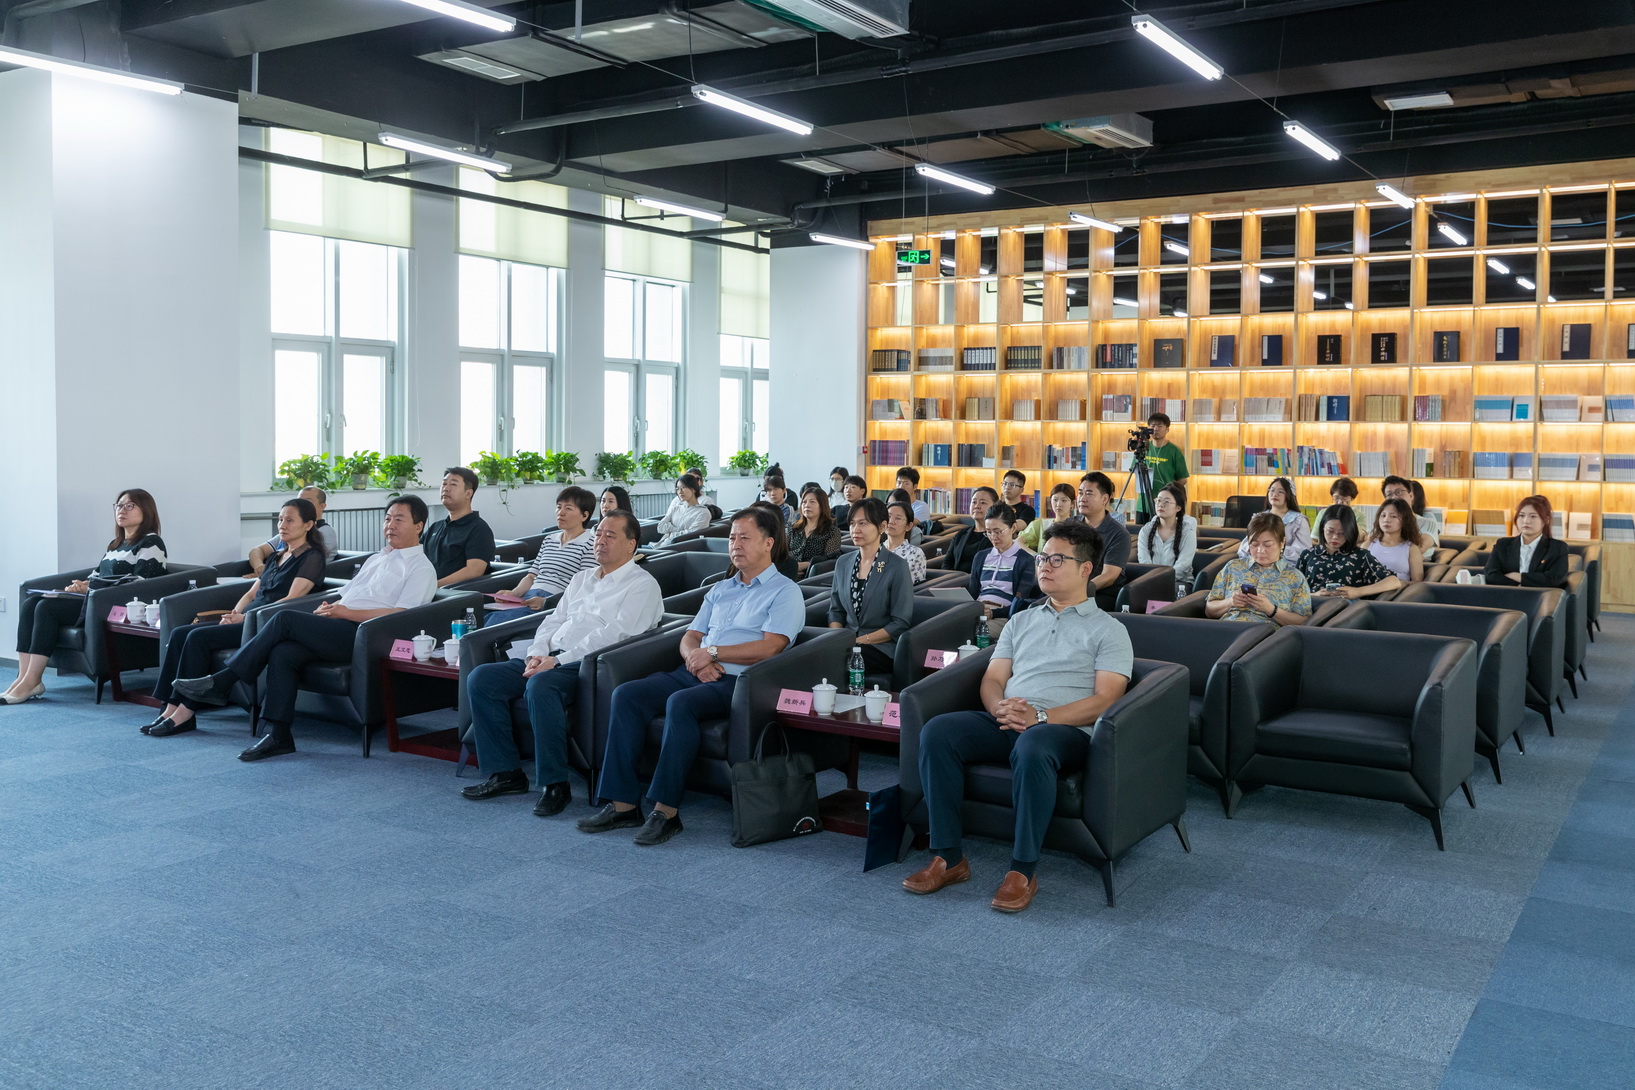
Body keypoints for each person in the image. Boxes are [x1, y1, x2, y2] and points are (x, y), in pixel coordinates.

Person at [904, 520, 1132, 913]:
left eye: (1057, 559)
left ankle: (1022, 870)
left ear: (1085, 569)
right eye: (1043, 557)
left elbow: (1106, 699)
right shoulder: (1021, 619)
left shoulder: (1109, 630)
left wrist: (1040, 716)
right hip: (1011, 718)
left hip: (1064, 729)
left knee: (1033, 745)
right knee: (938, 732)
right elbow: (993, 678)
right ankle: (948, 857)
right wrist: (998, 707)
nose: (1044, 565)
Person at [579, 506, 806, 846]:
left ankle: (666, 812)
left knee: (681, 703)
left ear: (768, 543)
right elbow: (690, 636)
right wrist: (695, 658)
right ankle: (623, 805)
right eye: (732, 538)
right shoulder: (722, 588)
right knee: (627, 694)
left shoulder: (784, 591)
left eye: (745, 538)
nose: (735, 545)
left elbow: (772, 646)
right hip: (696, 670)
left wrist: (714, 653)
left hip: (739, 682)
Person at [170, 496, 438, 760]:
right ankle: (279, 735)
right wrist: (330, 607)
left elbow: (403, 614)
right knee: (284, 652)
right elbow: (346, 594)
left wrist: (346, 612)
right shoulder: (377, 558)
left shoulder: (420, 568)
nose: (390, 525)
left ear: (419, 526)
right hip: (338, 624)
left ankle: (224, 680)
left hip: (364, 636)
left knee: (284, 618)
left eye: (399, 519)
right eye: (387, 519)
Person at [460, 510, 665, 814]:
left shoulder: (641, 584)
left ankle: (555, 784)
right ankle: (506, 773)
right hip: (551, 656)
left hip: (588, 666)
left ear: (631, 544)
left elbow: (617, 635)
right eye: (598, 534)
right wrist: (536, 653)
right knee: (482, 679)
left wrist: (557, 662)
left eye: (610, 535)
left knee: (541, 686)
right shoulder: (582, 578)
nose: (600, 541)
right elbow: (553, 620)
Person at [141, 499, 327, 736]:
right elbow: (251, 593)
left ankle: (185, 713)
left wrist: (247, 619)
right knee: (179, 634)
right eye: (280, 519)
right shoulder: (276, 556)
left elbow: (292, 599)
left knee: (198, 638)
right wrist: (234, 613)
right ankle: (169, 708)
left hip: (266, 624)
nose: (282, 525)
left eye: (290, 520)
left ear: (308, 525)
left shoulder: (312, 557)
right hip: (247, 619)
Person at [4, 489, 167, 706]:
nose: (122, 510)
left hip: (111, 607)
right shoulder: (116, 544)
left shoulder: (151, 542)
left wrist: (91, 587)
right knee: (31, 603)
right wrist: (81, 585)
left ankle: (32, 681)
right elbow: (98, 575)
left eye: (130, 506)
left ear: (146, 510)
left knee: (46, 608)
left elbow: (142, 582)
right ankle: (23, 678)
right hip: (94, 599)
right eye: (119, 505)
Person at [485, 487, 598, 627]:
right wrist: (513, 594)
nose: (561, 512)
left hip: (555, 601)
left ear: (584, 515)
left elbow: (583, 587)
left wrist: (548, 602)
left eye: (568, 508)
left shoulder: (590, 543)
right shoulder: (549, 539)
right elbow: (531, 576)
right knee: (485, 616)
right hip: (529, 596)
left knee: (499, 622)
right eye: (559, 507)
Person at [827, 498, 915, 676]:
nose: (855, 529)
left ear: (882, 527)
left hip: (879, 647)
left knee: (839, 662)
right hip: (846, 644)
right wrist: (838, 639)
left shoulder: (896, 566)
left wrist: (860, 641)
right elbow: (836, 610)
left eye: (863, 523)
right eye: (852, 523)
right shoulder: (843, 562)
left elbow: (900, 623)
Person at [1206, 511, 1312, 626]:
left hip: (1265, 633)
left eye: (1267, 545)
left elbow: (1303, 622)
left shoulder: (1294, 577)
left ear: (1282, 543)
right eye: (1254, 544)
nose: (1260, 550)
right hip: (1228, 628)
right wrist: (1230, 602)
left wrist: (1271, 610)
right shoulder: (1233, 567)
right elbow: (1209, 610)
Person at [1297, 504, 1401, 600]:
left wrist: (1358, 591)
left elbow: (1394, 582)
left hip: (1349, 610)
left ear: (1350, 532)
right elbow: (1291, 590)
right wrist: (1314, 595)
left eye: (1342, 533)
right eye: (1330, 531)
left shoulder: (1361, 556)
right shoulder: (1308, 555)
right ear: (1322, 528)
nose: (1335, 537)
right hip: (1312, 608)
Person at [423, 467, 495, 587]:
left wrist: (433, 586)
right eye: (444, 484)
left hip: (453, 593)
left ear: (468, 493)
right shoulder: (436, 527)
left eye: (453, 484)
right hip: (425, 589)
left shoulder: (479, 529)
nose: (446, 488)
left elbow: (474, 571)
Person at [969, 503, 1040, 620]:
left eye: (998, 531)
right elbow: (972, 594)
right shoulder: (981, 557)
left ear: (1013, 528)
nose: (993, 537)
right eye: (989, 532)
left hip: (1002, 614)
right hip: (977, 610)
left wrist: (994, 613)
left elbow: (1020, 602)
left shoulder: (1025, 560)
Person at [1485, 495, 1569, 587]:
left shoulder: (1557, 548)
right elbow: (1490, 575)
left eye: (1533, 516)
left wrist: (1519, 577)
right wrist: (1520, 586)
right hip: (1506, 594)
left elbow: (1554, 579)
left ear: (1546, 520)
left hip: (1540, 596)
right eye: (1521, 515)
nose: (1526, 521)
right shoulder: (1502, 544)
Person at [1073, 472, 1130, 604]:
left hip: (1100, 593)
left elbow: (1109, 576)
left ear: (1104, 499)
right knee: (1035, 606)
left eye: (1089, 494)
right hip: (1068, 589)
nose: (1082, 498)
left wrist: (1081, 589)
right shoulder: (1069, 526)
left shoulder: (1119, 534)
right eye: (1080, 493)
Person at [249, 485, 336, 571]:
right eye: (299, 501)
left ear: (322, 506)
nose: (300, 506)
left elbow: (303, 559)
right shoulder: (289, 533)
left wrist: (269, 572)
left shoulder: (325, 531)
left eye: (307, 502)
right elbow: (257, 550)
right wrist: (260, 568)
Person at [1237, 476, 1309, 564]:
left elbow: (1303, 551)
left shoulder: (1298, 520)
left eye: (1281, 491)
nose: (1275, 494)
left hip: (1287, 565)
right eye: (1272, 490)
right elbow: (1245, 546)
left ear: (1290, 495)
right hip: (1257, 563)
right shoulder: (1259, 517)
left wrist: (1274, 552)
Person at [1137, 483, 1198, 586]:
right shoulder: (1146, 530)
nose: (1161, 504)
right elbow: (1144, 562)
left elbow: (1182, 567)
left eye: (1166, 501)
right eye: (1159, 500)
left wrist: (1161, 580)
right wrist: (1153, 581)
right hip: (1150, 581)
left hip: (1179, 582)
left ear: (1178, 508)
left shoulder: (1187, 533)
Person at [1134, 413, 1189, 526]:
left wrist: (1170, 491)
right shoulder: (1143, 448)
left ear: (1167, 429)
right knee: (1141, 534)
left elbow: (1183, 479)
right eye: (1152, 426)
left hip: (1164, 505)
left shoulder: (1174, 451)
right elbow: (1134, 470)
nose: (1155, 429)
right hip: (1144, 503)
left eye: (1160, 426)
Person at [1366, 498, 1425, 583]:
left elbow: (1417, 582)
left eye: (1393, 516)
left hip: (1398, 590)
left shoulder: (1411, 549)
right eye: (1383, 516)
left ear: (1405, 520)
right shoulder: (1367, 545)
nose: (1386, 520)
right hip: (1368, 589)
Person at [942, 487, 999, 573]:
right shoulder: (961, 534)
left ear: (995, 506)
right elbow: (947, 563)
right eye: (974, 502)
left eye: (983, 503)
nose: (977, 506)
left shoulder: (997, 536)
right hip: (954, 579)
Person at [1382, 476, 1440, 559]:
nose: (1394, 497)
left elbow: (1416, 550)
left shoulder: (1427, 522)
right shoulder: (1383, 522)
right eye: (1389, 494)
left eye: (1399, 492)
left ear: (1411, 495)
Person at [788, 487, 841, 577]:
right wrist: (790, 568)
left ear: (822, 506)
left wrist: (807, 565)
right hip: (786, 574)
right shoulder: (792, 529)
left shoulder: (832, 532)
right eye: (804, 502)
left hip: (814, 577)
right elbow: (780, 553)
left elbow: (830, 559)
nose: (807, 505)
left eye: (812, 502)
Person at [654, 473, 711, 547]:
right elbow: (660, 527)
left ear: (693, 489)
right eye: (677, 488)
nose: (680, 492)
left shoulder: (703, 512)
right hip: (659, 545)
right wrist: (680, 529)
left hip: (676, 548)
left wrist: (671, 532)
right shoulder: (675, 508)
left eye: (683, 487)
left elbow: (690, 535)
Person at [1019, 484, 1075, 553]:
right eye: (1055, 500)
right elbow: (1018, 542)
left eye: (1064, 500)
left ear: (1072, 503)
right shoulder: (1041, 524)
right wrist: (1035, 555)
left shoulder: (1077, 528)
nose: (1058, 504)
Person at [884, 500, 928, 583]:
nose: (891, 522)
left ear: (908, 526)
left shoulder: (915, 553)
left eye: (898, 518)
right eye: (888, 517)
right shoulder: (876, 549)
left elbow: (914, 586)